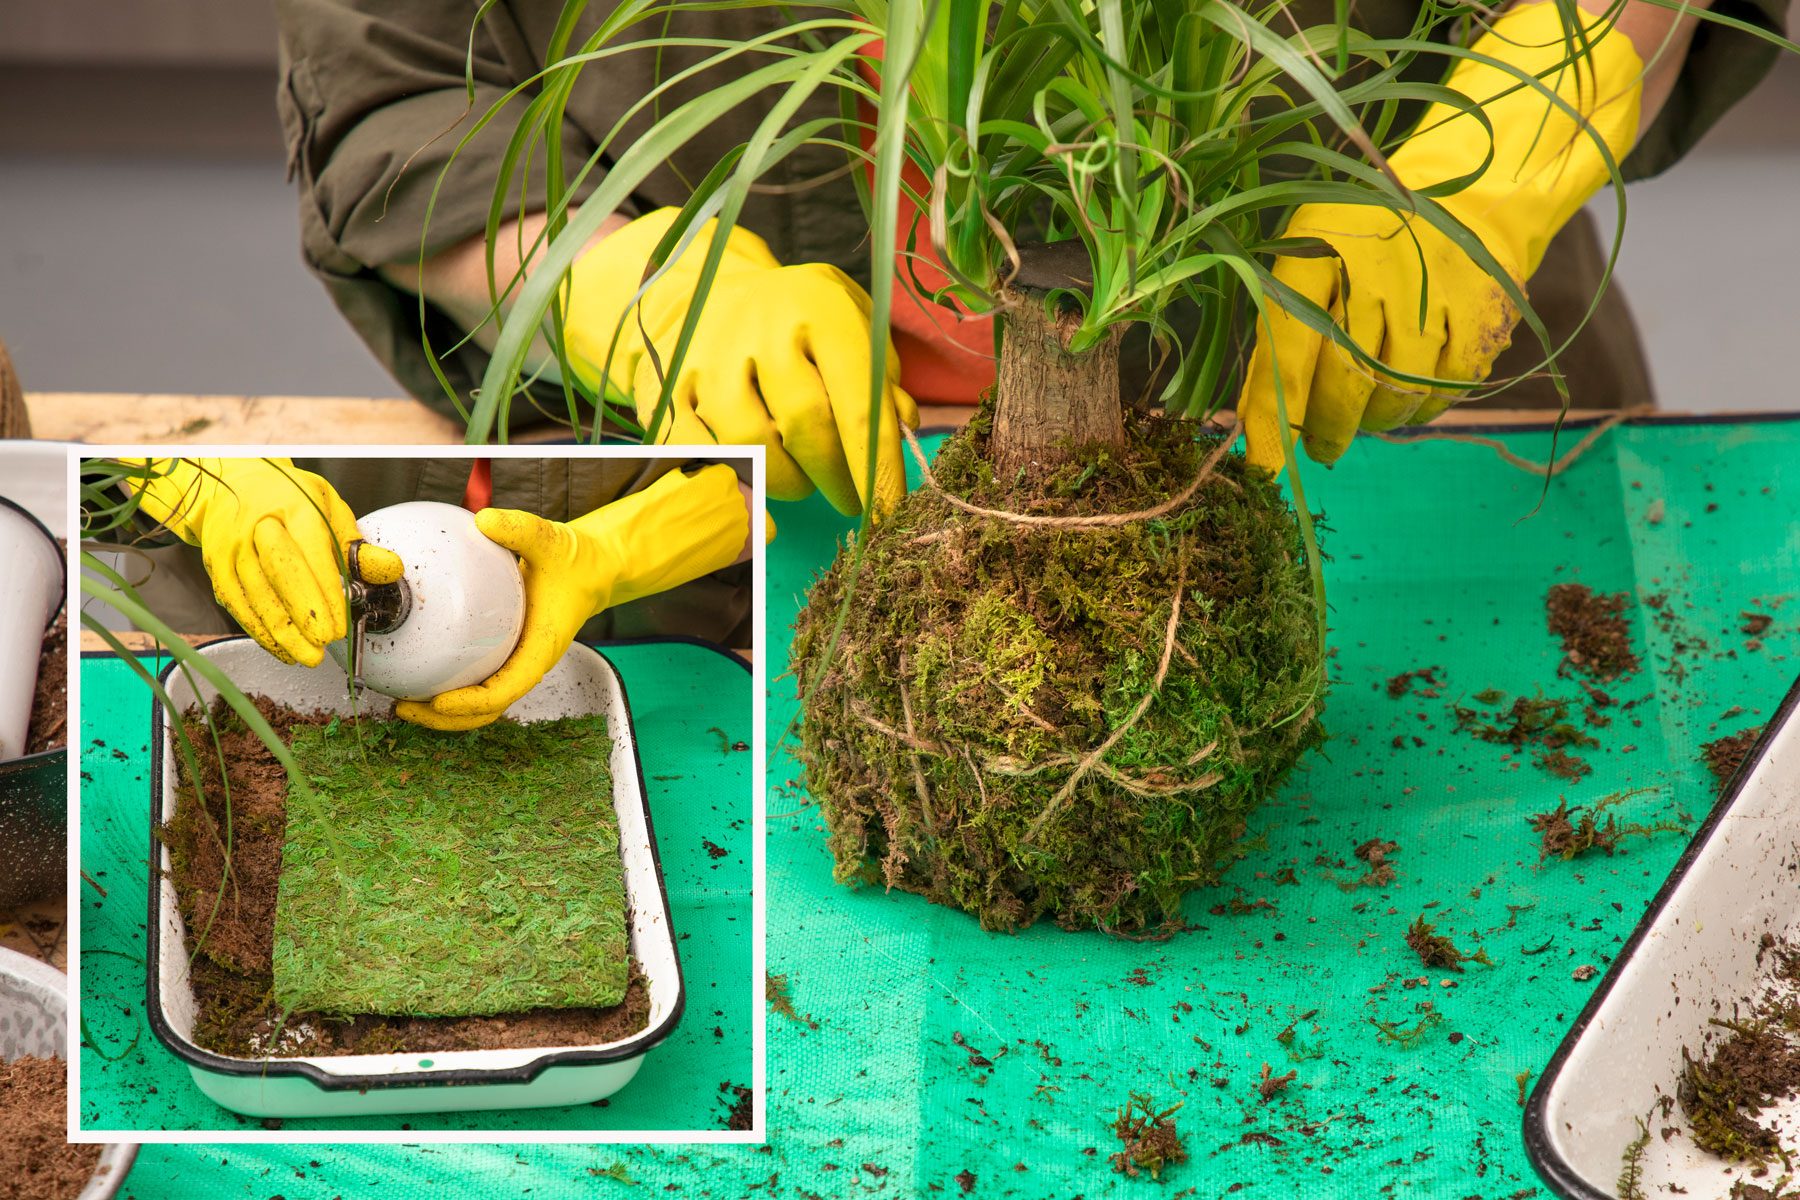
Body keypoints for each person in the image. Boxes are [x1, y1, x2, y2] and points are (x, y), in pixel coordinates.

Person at [273, 0, 1785, 484]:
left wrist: (1494, 164)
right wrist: (610, 285)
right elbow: (393, 93)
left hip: (1394, 428)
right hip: (731, 524)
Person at [118, 455, 754, 729]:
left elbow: (765, 499)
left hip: (648, 637)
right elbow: (100, 470)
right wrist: (214, 484)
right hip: (244, 621)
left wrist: (613, 554)